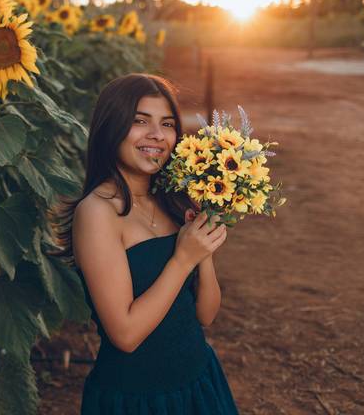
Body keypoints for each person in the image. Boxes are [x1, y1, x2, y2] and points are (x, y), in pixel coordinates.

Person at [47, 73, 239, 414]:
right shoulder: (97, 213)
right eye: (139, 121)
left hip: (199, 380)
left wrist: (202, 252)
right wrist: (182, 259)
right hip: (140, 398)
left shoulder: (172, 200)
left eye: (167, 124)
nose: (156, 135)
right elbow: (125, 334)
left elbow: (206, 315)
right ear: (111, 127)